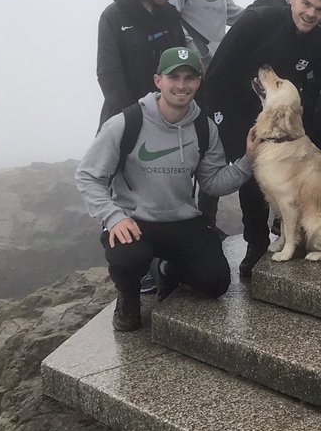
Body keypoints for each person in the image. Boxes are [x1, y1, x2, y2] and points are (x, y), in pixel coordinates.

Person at [76, 46, 257, 332]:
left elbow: (212, 182)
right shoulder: (126, 123)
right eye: (174, 77)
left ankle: (166, 268)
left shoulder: (203, 128)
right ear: (158, 80)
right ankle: (128, 299)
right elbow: (88, 176)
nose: (182, 85)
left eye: (190, 78)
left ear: (199, 82)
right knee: (128, 256)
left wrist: (249, 160)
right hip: (134, 222)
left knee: (216, 282)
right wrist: (114, 217)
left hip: (182, 221)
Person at [198, 0, 321, 277]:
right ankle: (256, 243)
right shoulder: (257, 22)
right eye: (306, 3)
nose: (310, 14)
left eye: (319, 9)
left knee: (294, 174)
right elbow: (217, 75)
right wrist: (221, 121)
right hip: (237, 109)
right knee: (252, 174)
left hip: (287, 121)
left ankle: (292, 232)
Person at [96, 0, 186, 125]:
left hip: (166, 115)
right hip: (123, 115)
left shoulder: (171, 15)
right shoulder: (113, 16)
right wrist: (131, 115)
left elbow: (182, 58)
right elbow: (108, 72)